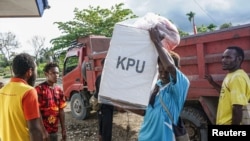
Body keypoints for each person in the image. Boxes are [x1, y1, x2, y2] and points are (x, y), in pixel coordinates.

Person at [138, 27, 190, 141]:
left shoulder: (181, 84)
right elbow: (146, 111)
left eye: (166, 72)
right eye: (160, 71)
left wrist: (157, 42)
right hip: (145, 137)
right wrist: (123, 105)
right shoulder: (157, 85)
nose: (162, 75)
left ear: (178, 69)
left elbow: (170, 67)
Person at [0, 53, 48, 141]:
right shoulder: (28, 91)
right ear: (29, 72)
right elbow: (34, 129)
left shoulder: (2, 90)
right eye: (35, 70)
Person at [205, 46, 250, 125]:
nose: (224, 60)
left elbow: (237, 108)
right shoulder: (231, 75)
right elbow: (225, 93)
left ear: (239, 59)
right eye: (223, 57)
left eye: (228, 57)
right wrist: (212, 82)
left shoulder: (237, 78)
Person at [35, 62, 67, 141]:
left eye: (57, 73)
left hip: (54, 130)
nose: (56, 75)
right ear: (46, 74)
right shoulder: (39, 89)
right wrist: (43, 132)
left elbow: (61, 110)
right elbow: (37, 112)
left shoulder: (59, 90)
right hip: (42, 131)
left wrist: (63, 129)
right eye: (53, 73)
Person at [94, 58, 114, 141]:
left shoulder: (102, 77)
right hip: (104, 107)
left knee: (103, 128)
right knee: (105, 130)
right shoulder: (102, 78)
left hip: (106, 107)